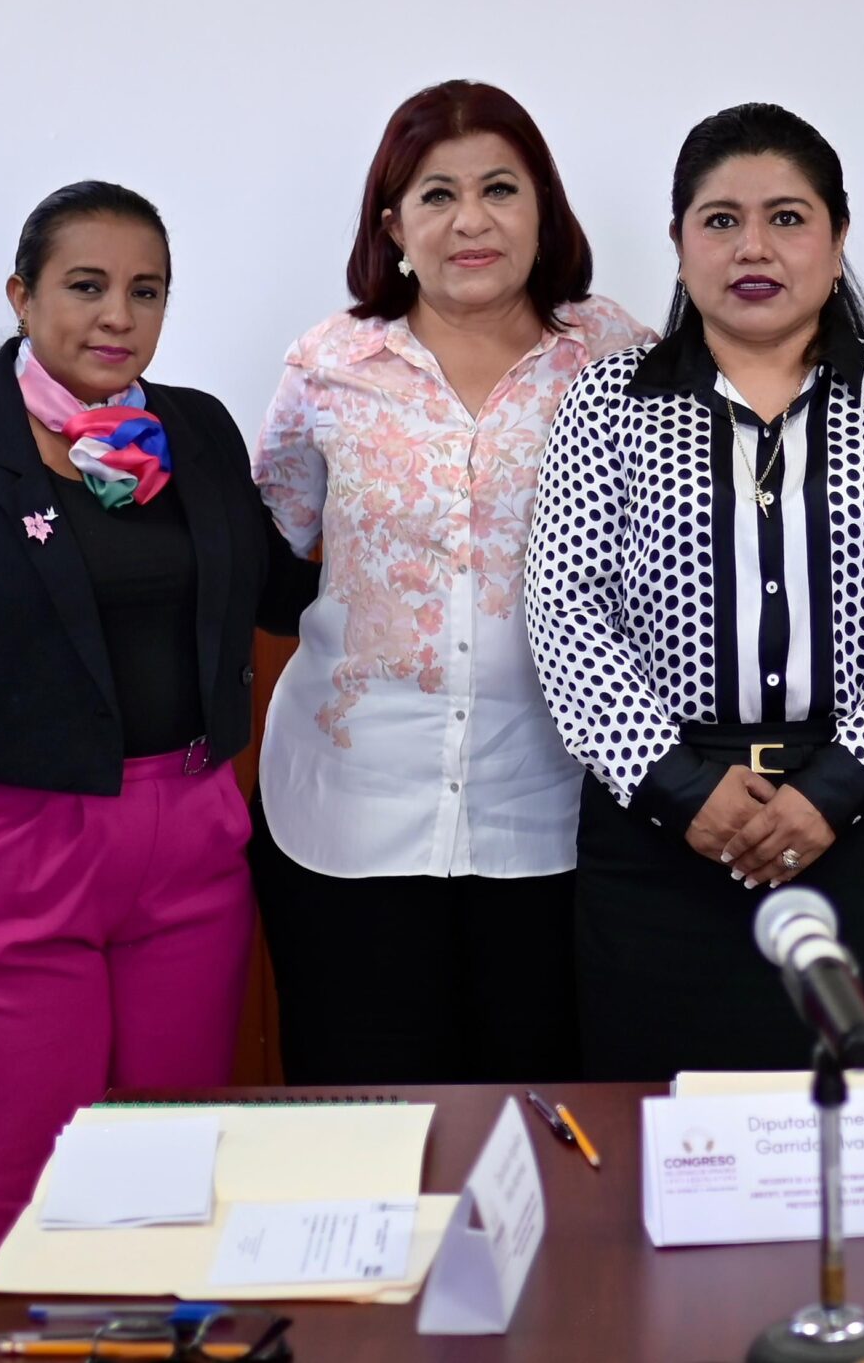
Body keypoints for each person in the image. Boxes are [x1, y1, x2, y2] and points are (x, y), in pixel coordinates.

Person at [0, 181, 315, 1313]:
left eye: (147, 291)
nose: (118, 316)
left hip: (189, 843)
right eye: (86, 286)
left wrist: (386, 476)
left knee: (171, 1162)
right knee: (16, 1177)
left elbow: (280, 588)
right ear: (21, 294)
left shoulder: (192, 430)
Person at [526, 102, 864, 1080]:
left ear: (837, 237)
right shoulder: (607, 402)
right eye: (720, 219)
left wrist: (831, 794)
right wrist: (679, 790)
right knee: (662, 1119)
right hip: (661, 839)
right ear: (678, 241)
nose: (753, 247)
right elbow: (568, 612)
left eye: (787, 217)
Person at [249, 80, 649, 1084]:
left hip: (553, 809)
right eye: (437, 194)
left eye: (500, 189)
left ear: (543, 209)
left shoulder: (621, 358)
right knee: (367, 1120)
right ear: (393, 225)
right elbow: (279, 540)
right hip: (349, 809)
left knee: (546, 1115)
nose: (471, 220)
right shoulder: (329, 365)